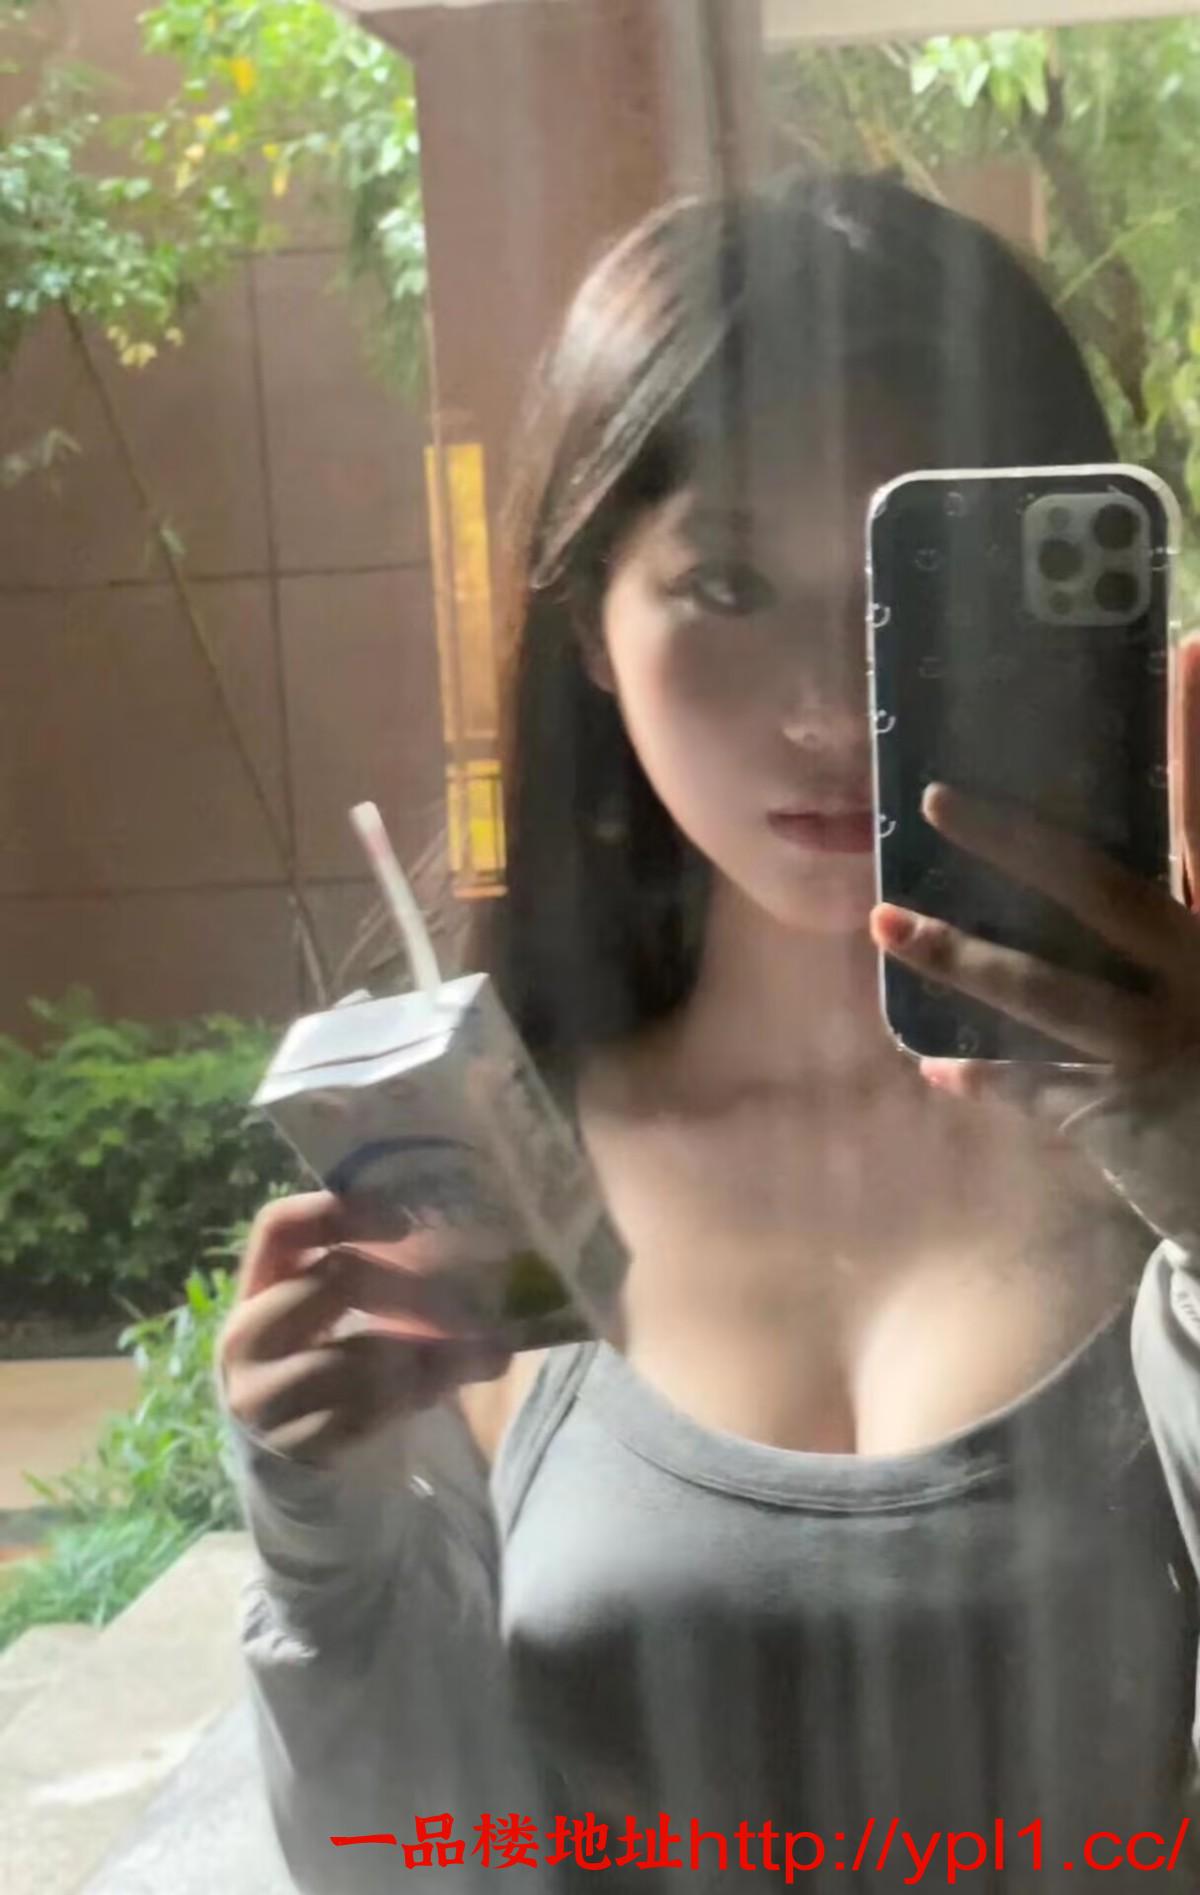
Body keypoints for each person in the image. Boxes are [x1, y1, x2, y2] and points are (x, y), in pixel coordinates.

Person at [216, 174, 1200, 1893]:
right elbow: (407, 1864)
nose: (828, 703)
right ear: (588, 625)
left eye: (904, 586)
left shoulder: (1162, 1136)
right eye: (728, 581)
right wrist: (323, 1540)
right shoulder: (484, 1166)